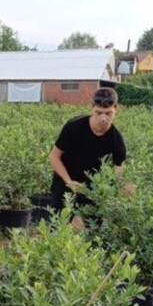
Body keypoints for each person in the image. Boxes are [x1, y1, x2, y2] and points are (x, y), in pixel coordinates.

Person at [48, 87, 129, 226]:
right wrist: (69, 182)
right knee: (58, 226)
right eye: (99, 113)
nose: (103, 118)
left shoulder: (117, 140)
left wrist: (121, 187)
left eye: (108, 113)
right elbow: (54, 156)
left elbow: (118, 168)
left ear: (116, 109)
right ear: (92, 108)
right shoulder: (74, 127)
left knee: (95, 229)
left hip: (93, 187)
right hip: (65, 180)